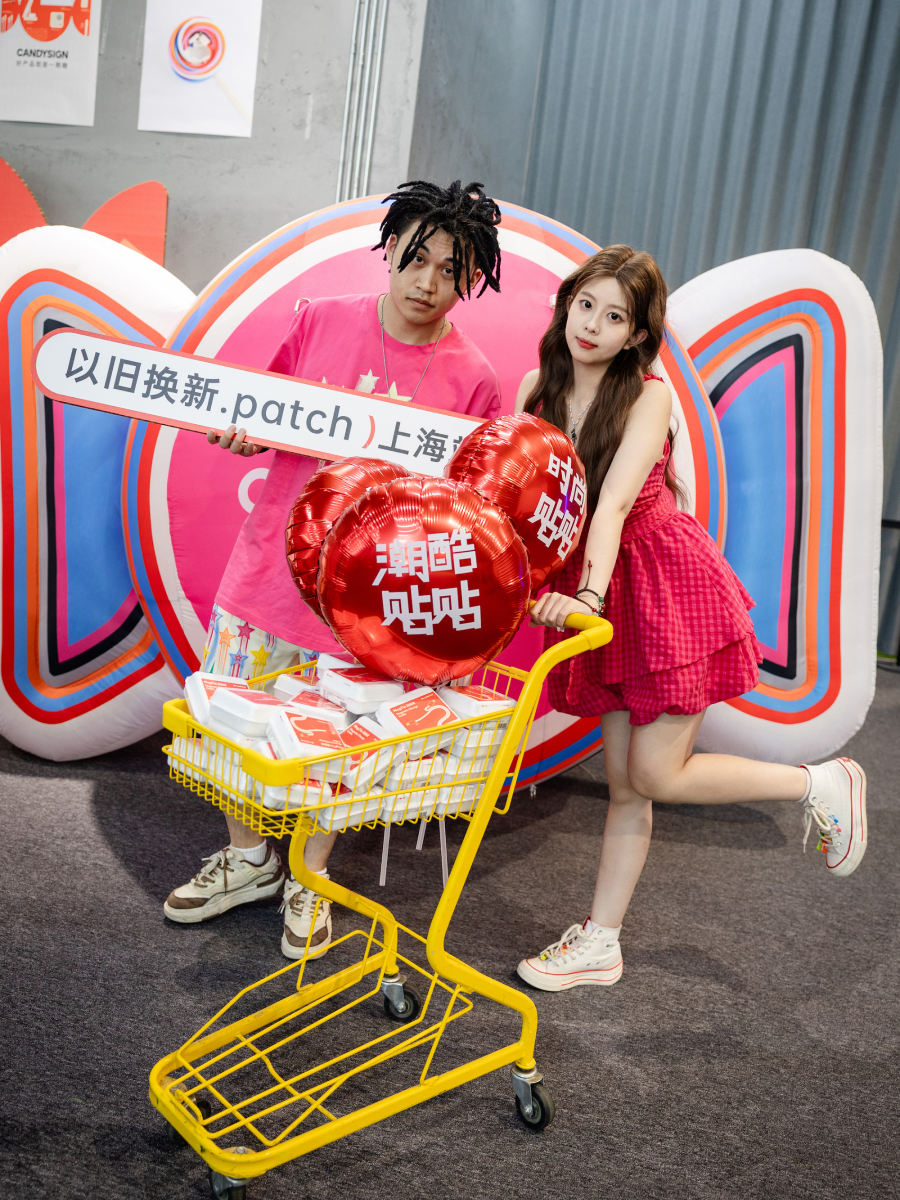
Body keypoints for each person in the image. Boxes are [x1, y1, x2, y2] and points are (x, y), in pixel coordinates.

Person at [513, 246, 867, 992]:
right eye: (585, 306)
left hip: (663, 586)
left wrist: (587, 601)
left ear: (638, 335)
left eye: (615, 317)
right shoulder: (535, 391)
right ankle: (602, 942)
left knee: (653, 771)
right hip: (603, 591)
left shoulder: (648, 397)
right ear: (567, 304)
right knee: (626, 783)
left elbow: (611, 505)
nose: (592, 325)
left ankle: (818, 783)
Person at [164, 180, 503, 958]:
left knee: (336, 750)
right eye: (416, 258)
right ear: (391, 251)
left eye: (451, 270)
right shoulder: (319, 320)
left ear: (471, 280)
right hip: (267, 575)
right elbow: (259, 411)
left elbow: (462, 507)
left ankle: (308, 877)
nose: (428, 282)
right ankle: (248, 860)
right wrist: (242, 432)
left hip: (366, 607)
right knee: (232, 729)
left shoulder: (474, 378)